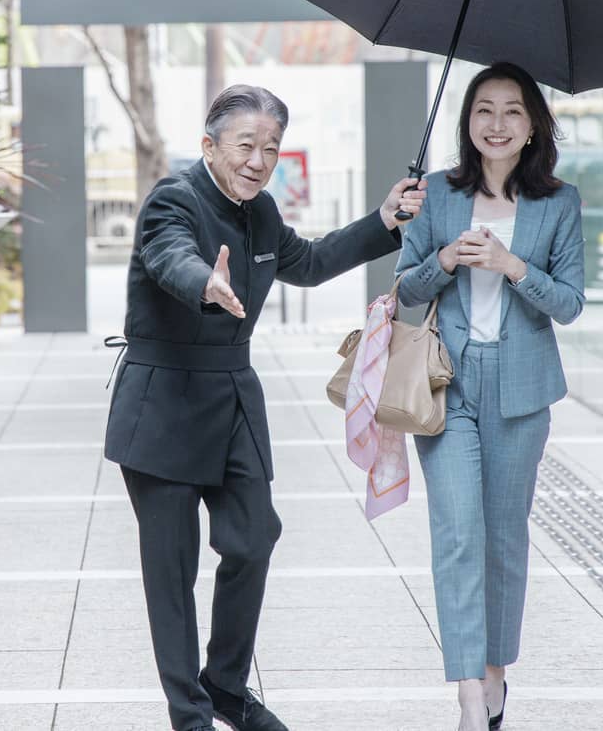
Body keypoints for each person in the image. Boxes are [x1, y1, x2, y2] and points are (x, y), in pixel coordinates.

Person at [105, 84, 425, 731]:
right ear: (210, 145)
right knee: (171, 569)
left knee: (254, 536)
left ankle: (224, 683)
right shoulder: (175, 198)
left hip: (232, 400)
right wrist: (206, 281)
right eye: (246, 145)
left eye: (270, 149)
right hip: (163, 400)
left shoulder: (262, 211)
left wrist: (384, 220)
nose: (258, 160)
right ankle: (190, 713)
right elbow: (168, 254)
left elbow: (305, 262)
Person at [393, 62, 585, 731]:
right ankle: (470, 693)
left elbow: (570, 303)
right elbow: (405, 289)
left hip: (523, 389)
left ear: (532, 125)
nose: (496, 123)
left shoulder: (560, 203)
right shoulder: (438, 195)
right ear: (467, 121)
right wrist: (444, 259)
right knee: (456, 532)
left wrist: (513, 267)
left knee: (504, 538)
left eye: (511, 111)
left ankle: (497, 672)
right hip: (447, 384)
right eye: (483, 109)